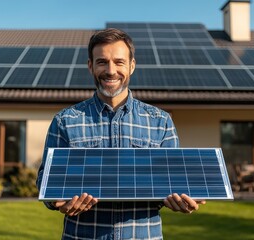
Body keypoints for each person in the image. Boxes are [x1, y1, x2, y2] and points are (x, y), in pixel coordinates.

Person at [37, 28, 206, 239]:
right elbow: (45, 179)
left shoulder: (161, 121)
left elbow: (172, 181)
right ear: (90, 66)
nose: (110, 70)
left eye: (119, 62)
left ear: (131, 66)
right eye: (101, 62)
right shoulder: (65, 121)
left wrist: (179, 199)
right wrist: (56, 201)